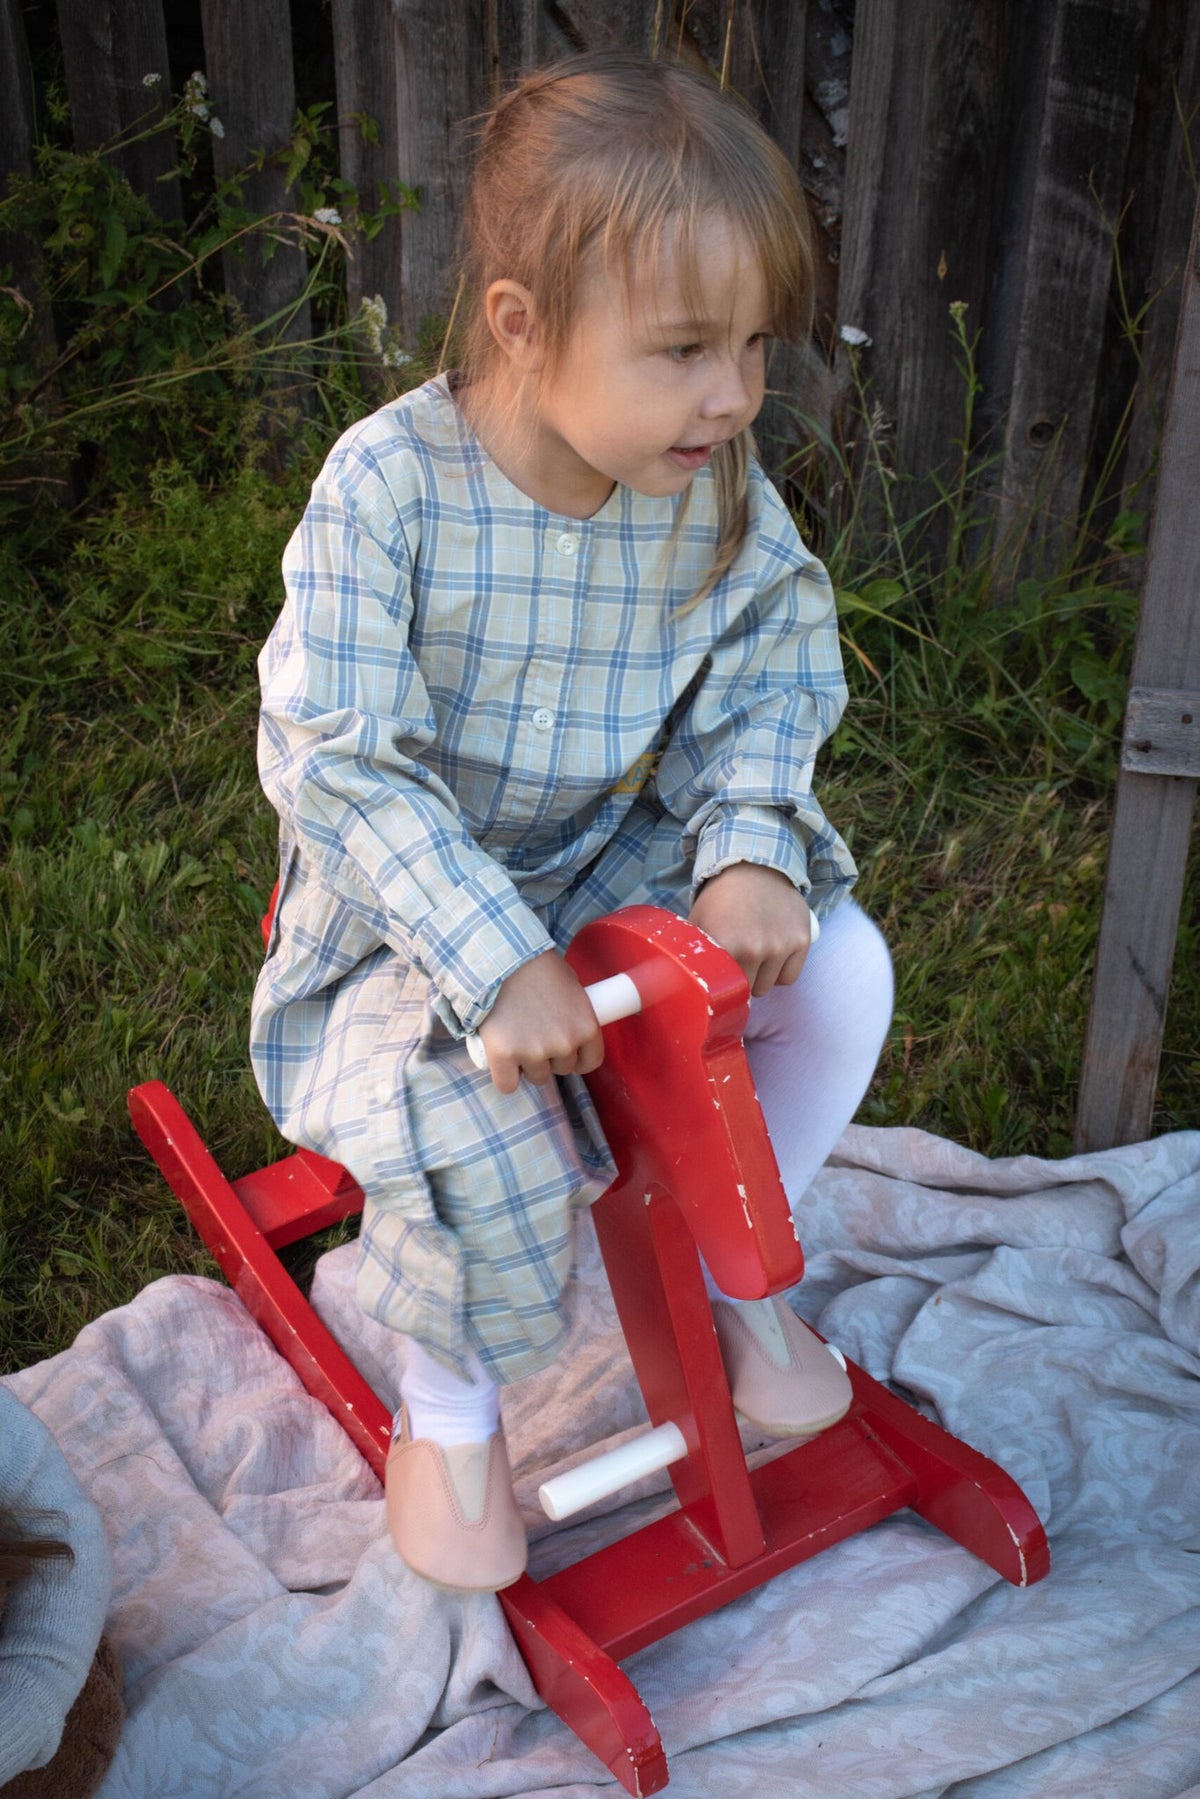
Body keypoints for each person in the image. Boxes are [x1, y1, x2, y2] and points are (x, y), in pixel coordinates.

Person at [251, 50, 893, 1593]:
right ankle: (452, 1410)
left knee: (837, 970)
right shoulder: (388, 492)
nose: (732, 394)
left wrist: (746, 838)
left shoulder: (714, 487)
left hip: (608, 858)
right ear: (522, 328)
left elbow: (771, 670)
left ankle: (721, 1253)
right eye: (682, 349)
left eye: (749, 347)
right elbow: (339, 759)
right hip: (406, 913)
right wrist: (494, 956)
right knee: (472, 1104)